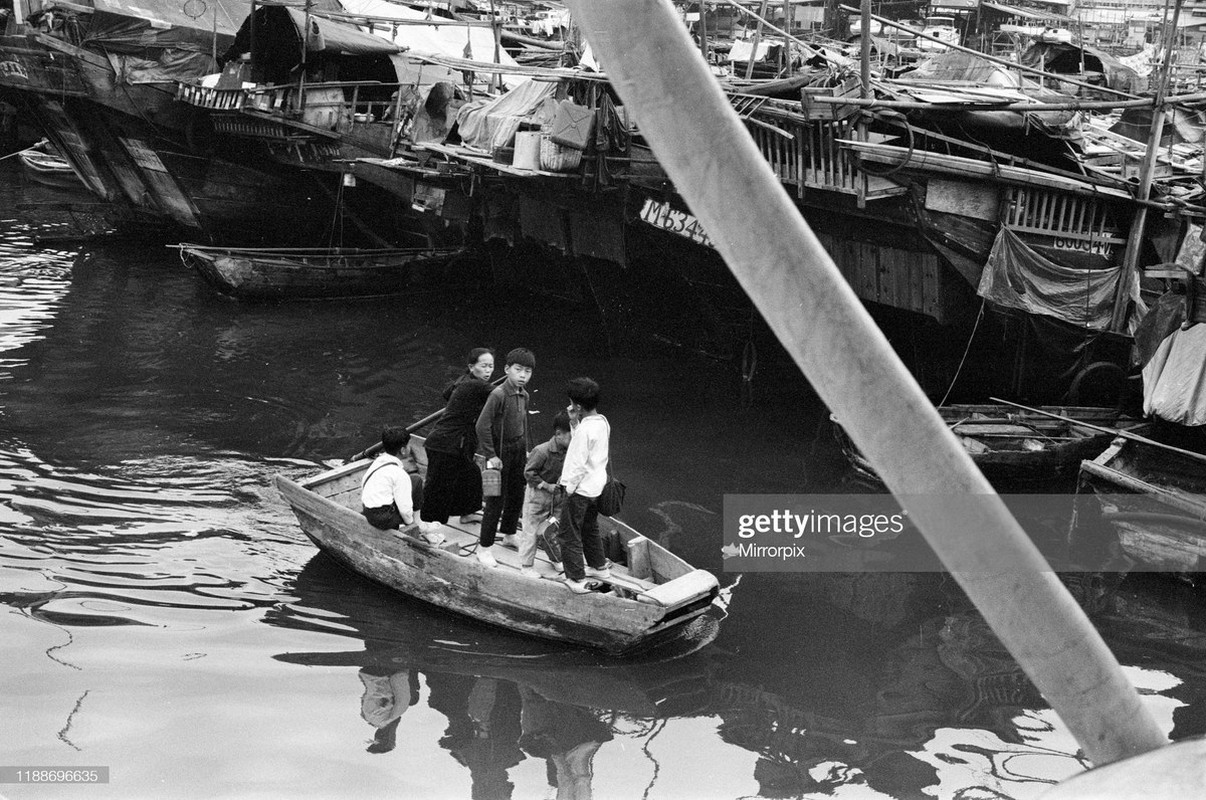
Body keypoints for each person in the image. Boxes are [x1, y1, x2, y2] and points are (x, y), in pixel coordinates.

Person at [474, 347, 535, 567]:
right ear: (507, 369)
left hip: (518, 449)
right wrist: (491, 454)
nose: (522, 375)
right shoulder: (498, 394)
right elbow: (482, 426)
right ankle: (484, 547)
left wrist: (526, 450)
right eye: (518, 370)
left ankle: (509, 534)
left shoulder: (524, 395)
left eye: (527, 372)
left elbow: (522, 424)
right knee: (494, 500)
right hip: (499, 452)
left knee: (517, 494)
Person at [420, 348, 495, 527]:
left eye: (491, 366)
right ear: (471, 366)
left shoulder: (463, 381)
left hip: (455, 443)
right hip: (446, 444)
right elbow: (501, 395)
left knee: (471, 475)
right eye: (483, 366)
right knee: (439, 487)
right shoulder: (477, 385)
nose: (488, 371)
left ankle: (466, 513)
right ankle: (430, 527)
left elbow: (447, 394)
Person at [557, 377, 611, 593]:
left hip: (579, 490)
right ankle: (599, 566)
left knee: (568, 534)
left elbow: (577, 465)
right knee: (590, 528)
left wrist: (567, 489)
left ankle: (576, 579)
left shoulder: (585, 432)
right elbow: (589, 442)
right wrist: (573, 422)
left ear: (577, 406)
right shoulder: (602, 422)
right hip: (595, 487)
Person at [361, 427, 444, 545]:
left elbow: (364, 483)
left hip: (368, 511)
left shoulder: (379, 461)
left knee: (415, 480)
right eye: (409, 445)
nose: (410, 448)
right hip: (384, 518)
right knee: (410, 496)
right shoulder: (399, 474)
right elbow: (405, 509)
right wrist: (411, 524)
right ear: (403, 450)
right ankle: (420, 526)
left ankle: (418, 522)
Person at [517, 410, 571, 577]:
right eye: (571, 435)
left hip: (557, 497)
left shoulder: (569, 451)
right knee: (531, 531)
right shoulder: (541, 451)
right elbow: (529, 473)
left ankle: (555, 559)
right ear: (558, 434)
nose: (574, 439)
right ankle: (526, 566)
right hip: (537, 496)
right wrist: (546, 486)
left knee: (552, 529)